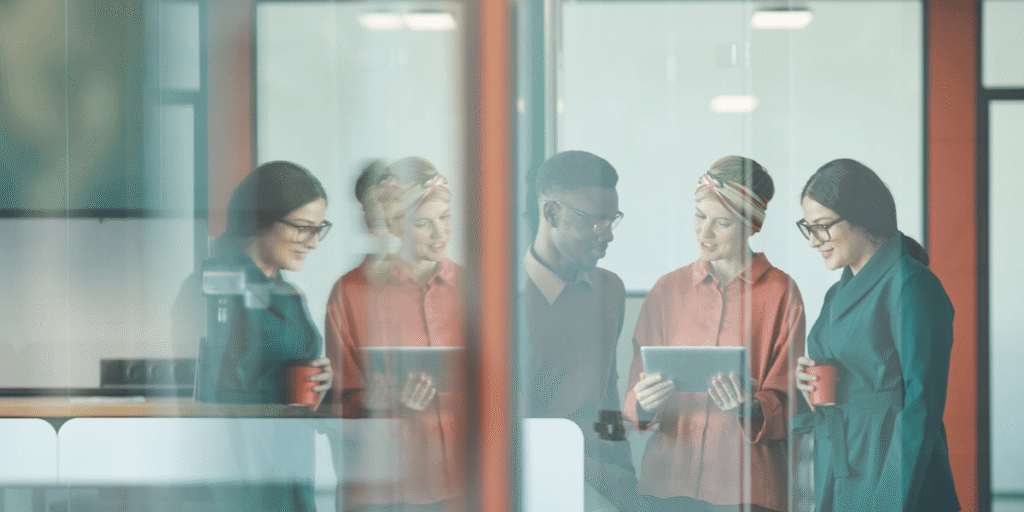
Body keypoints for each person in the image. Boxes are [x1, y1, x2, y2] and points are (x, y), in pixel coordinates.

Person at [623, 156, 805, 512]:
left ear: (751, 226)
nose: (704, 233)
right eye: (699, 216)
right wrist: (643, 400)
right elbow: (632, 400)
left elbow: (791, 408)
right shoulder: (667, 290)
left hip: (747, 490)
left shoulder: (782, 293)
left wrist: (750, 406)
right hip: (667, 485)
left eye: (721, 222)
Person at [793, 159, 959, 512]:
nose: (813, 241)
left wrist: (889, 501)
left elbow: (922, 406)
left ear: (862, 217)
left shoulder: (912, 285)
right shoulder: (835, 295)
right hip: (841, 463)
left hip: (891, 468)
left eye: (822, 226)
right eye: (808, 228)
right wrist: (806, 386)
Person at [173, 160, 334, 511]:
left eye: (318, 229)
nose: (313, 243)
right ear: (263, 218)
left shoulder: (287, 292)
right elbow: (208, 400)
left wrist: (323, 383)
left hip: (287, 463)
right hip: (241, 477)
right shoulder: (214, 286)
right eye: (302, 228)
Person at [325, 156, 465, 511]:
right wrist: (377, 403)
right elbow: (339, 399)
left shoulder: (474, 289)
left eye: (445, 217)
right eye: (423, 224)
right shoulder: (352, 293)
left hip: (461, 483)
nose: (440, 234)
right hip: (382, 487)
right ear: (396, 225)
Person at [522, 150, 639, 512]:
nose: (608, 236)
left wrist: (623, 471)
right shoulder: (500, 299)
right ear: (552, 214)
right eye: (595, 222)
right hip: (528, 482)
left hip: (601, 484)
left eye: (612, 221)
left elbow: (607, 396)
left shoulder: (610, 290)